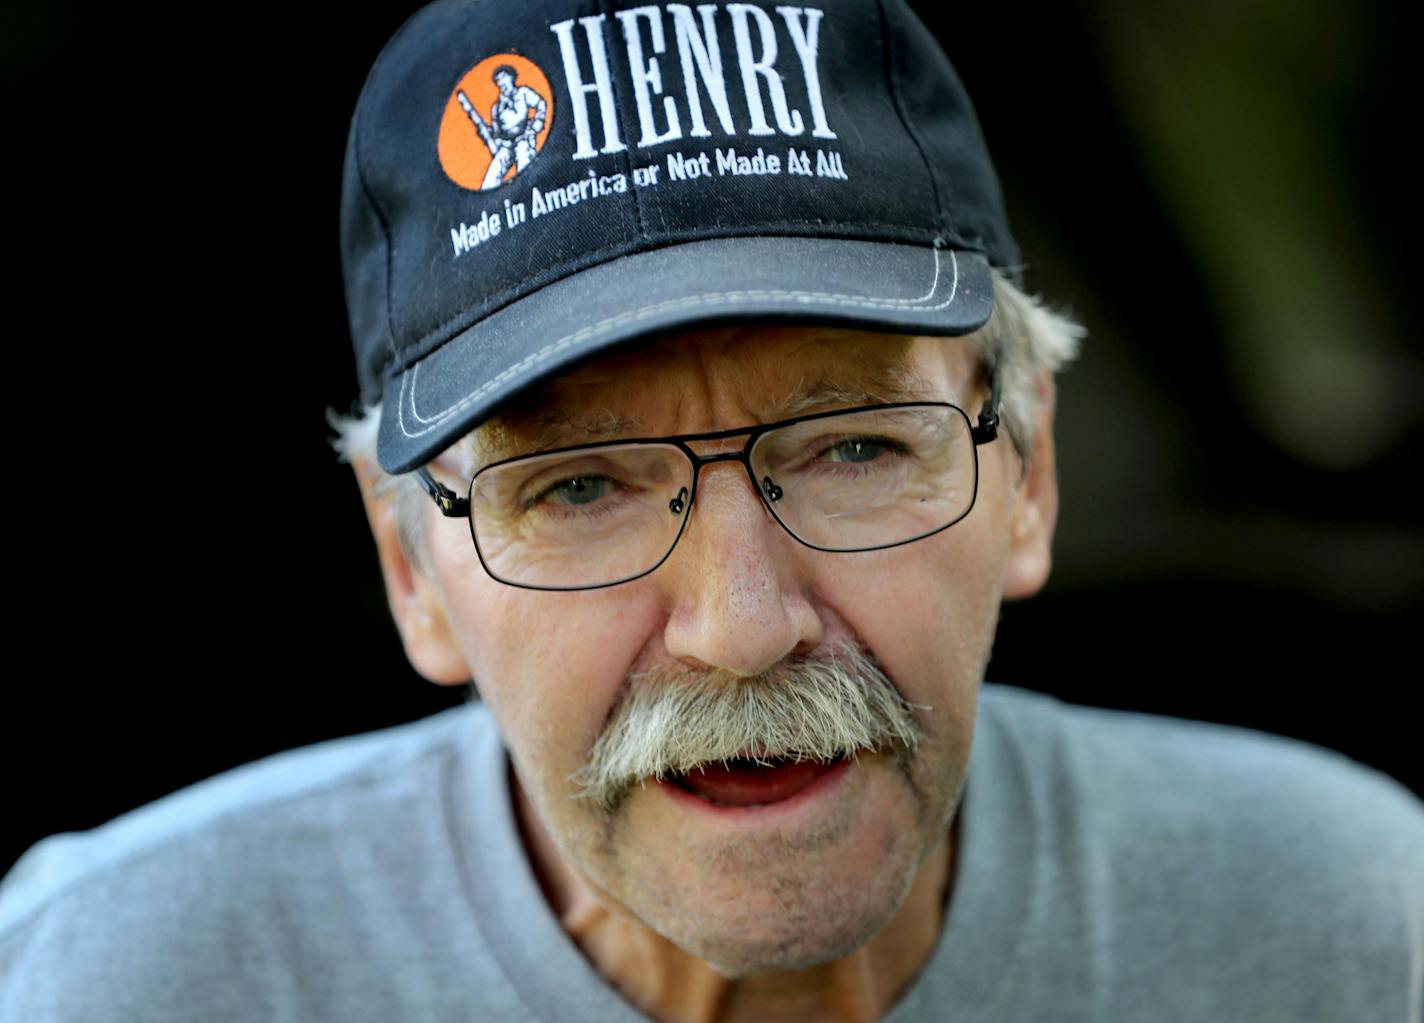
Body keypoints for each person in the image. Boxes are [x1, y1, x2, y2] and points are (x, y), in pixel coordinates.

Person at [3, 1, 1420, 1020]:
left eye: (857, 448)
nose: (742, 630)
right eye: (574, 487)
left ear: (1029, 478)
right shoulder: (112, 976)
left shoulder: (1351, 923)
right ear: (412, 573)